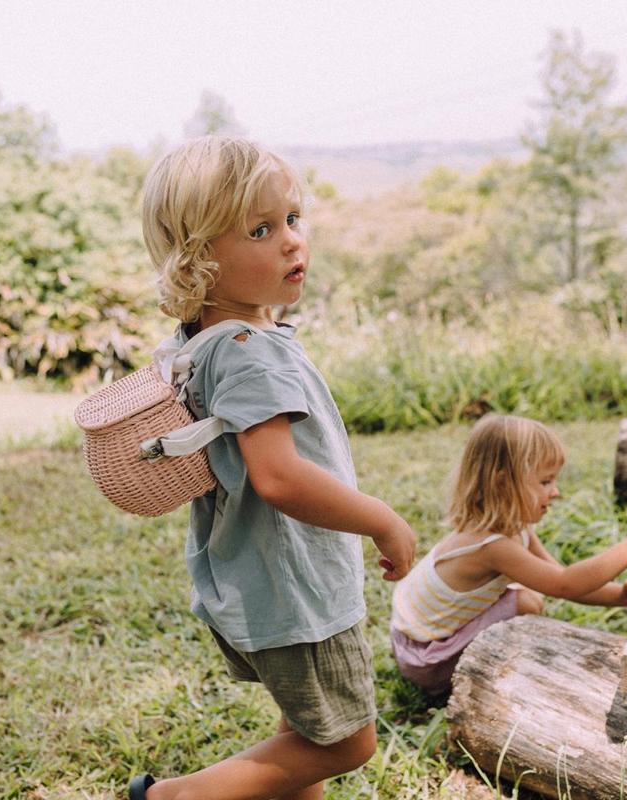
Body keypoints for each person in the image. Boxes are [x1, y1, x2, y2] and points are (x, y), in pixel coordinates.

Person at [130, 136, 417, 800]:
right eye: (261, 229)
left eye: (293, 219)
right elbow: (278, 476)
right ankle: (175, 796)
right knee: (347, 741)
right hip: (295, 589)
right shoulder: (250, 351)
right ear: (198, 260)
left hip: (253, 577)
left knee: (305, 732)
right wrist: (384, 520)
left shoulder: (205, 342)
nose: (292, 242)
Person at [390, 414, 627, 696]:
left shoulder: (515, 528)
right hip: (425, 659)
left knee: (527, 594)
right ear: (502, 484)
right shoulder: (490, 546)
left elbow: (562, 581)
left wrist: (620, 595)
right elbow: (565, 583)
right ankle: (478, 678)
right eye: (545, 482)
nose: (555, 492)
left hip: (418, 638)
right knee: (526, 602)